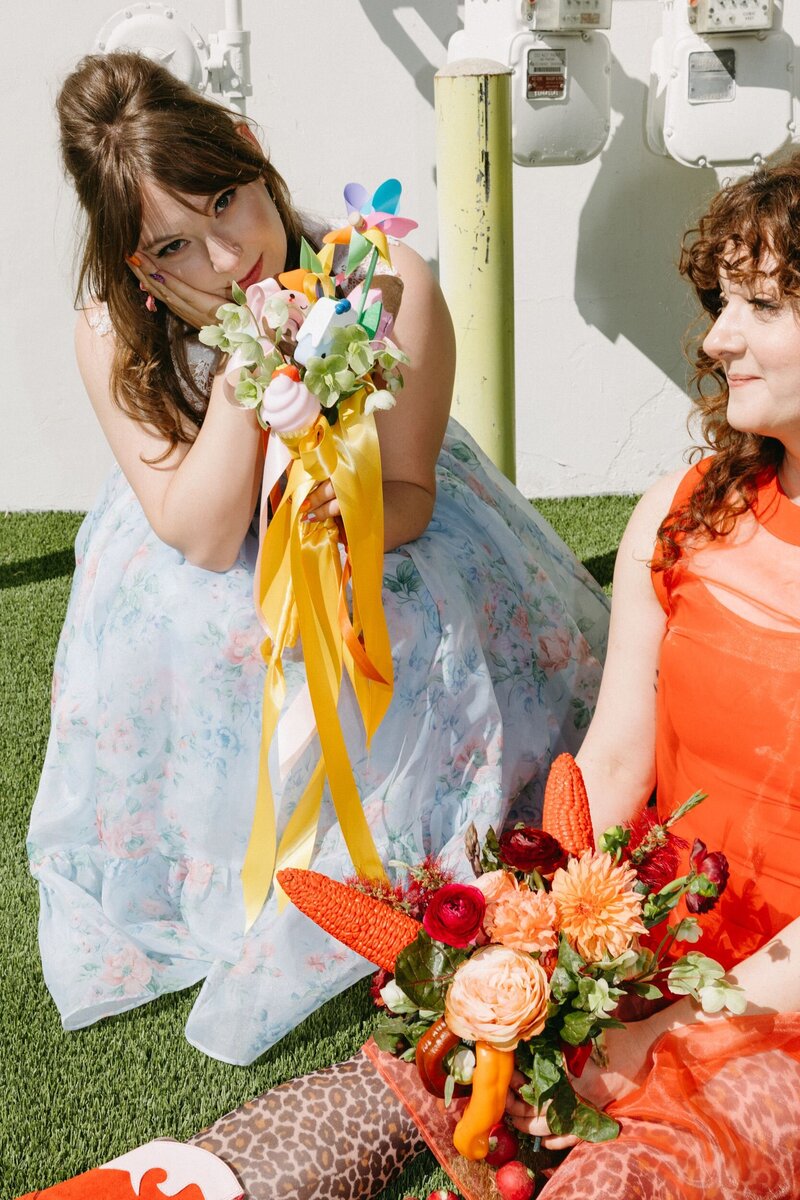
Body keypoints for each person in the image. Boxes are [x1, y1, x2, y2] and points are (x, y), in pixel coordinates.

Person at [179, 153, 800, 1200]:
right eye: (720, 299)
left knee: (635, 1166)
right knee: (404, 1081)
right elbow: (609, 762)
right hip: (652, 927)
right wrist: (522, 943)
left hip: (776, 997)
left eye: (764, 304)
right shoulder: (683, 511)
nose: (714, 337)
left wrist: (671, 1024)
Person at [28, 51, 609, 1067]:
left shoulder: (380, 275)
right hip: (205, 559)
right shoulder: (109, 332)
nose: (222, 254)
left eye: (227, 200)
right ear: (135, 262)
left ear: (254, 156)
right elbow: (202, 536)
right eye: (174, 241)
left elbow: (409, 497)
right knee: (208, 628)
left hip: (376, 530)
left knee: (387, 628)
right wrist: (253, 366)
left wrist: (314, 509)